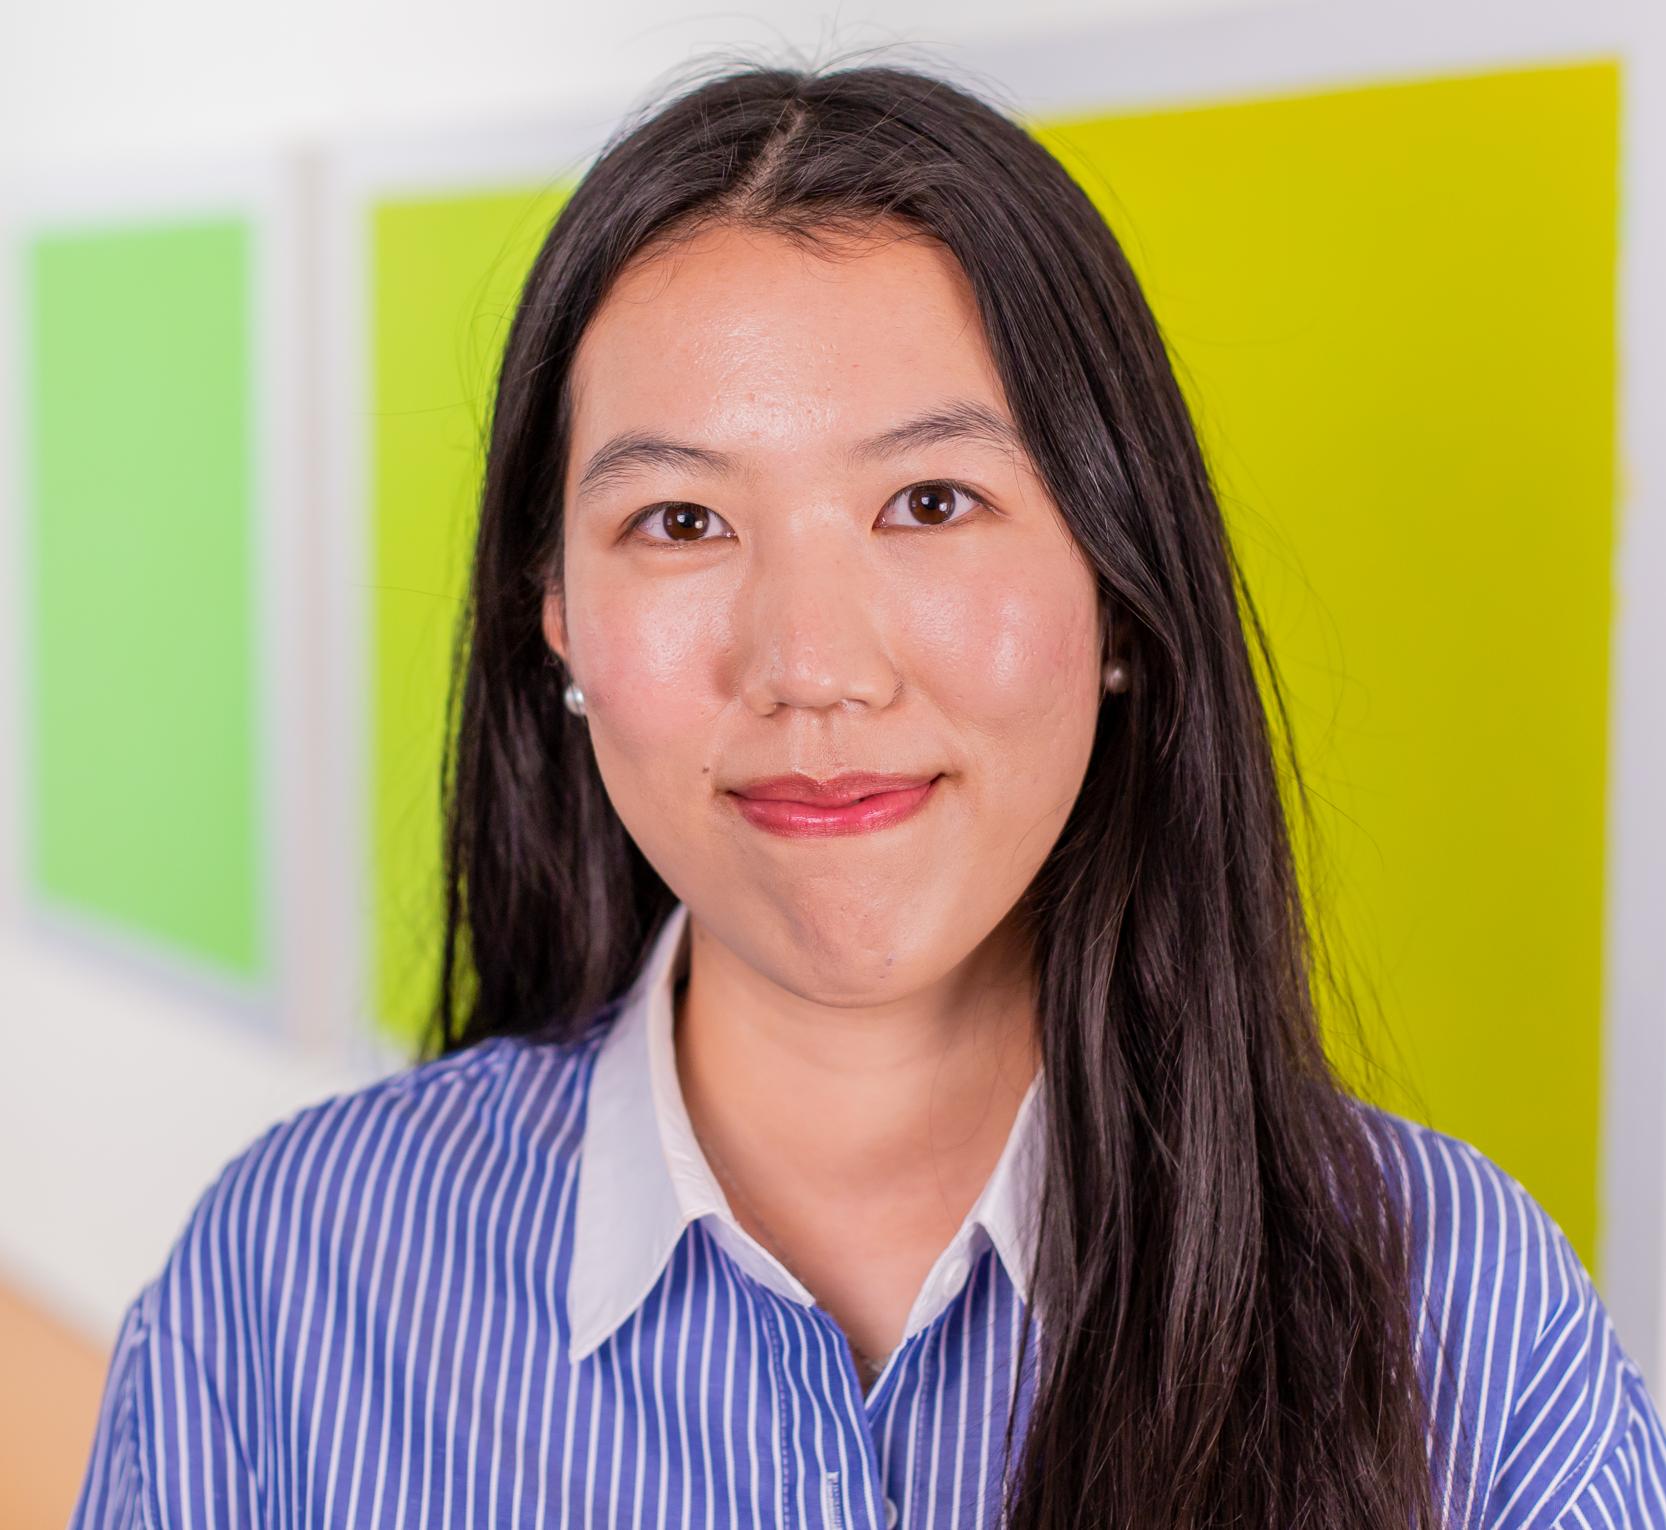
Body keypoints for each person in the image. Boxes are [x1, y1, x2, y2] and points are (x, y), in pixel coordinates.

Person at [70, 56, 1666, 1529]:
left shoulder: (1458, 1310)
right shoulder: (284, 1286)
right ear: (553, 616)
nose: (812, 665)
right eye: (682, 522)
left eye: (929, 498)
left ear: (1116, 590)